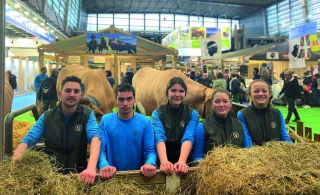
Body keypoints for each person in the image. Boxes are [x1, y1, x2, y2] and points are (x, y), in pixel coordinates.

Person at [13, 76, 101, 184]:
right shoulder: (47, 116)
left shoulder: (87, 114)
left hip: (79, 177)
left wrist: (91, 167)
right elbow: (30, 137)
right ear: (60, 94)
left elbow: (95, 137)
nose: (72, 94)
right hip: (52, 178)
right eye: (68, 90)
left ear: (81, 95)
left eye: (76, 91)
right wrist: (16, 159)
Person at [98, 83, 157, 179]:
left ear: (135, 99)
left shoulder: (145, 122)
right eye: (121, 99)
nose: (125, 104)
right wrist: (104, 165)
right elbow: (101, 150)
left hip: (139, 178)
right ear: (116, 100)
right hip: (111, 178)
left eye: (129, 99)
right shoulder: (106, 121)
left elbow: (150, 150)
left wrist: (150, 163)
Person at [152, 77, 199, 175]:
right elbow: (159, 137)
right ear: (167, 93)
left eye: (181, 91)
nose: (177, 95)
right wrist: (164, 161)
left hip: (184, 162)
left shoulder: (192, 114)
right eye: (173, 90)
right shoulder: (158, 113)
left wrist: (182, 161)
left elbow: (188, 137)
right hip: (163, 160)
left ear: (185, 93)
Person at [192, 89, 252, 161]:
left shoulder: (240, 125)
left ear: (230, 104)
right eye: (217, 101)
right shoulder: (202, 127)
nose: (221, 105)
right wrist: (211, 165)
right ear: (212, 104)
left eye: (225, 101)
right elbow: (196, 157)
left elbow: (248, 152)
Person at [237, 79, 293, 146]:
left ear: (269, 94)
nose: (261, 94)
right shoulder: (243, 115)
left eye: (264, 91)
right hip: (255, 155)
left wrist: (292, 148)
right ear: (250, 94)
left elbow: (285, 137)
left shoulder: (277, 113)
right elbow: (247, 143)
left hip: (277, 154)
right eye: (256, 91)